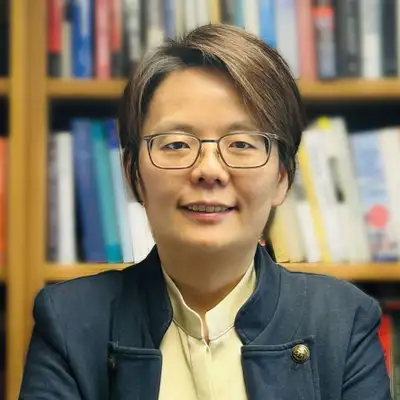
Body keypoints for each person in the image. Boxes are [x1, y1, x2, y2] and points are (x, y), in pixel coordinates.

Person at [19, 24, 391, 400]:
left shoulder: (343, 323)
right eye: (177, 144)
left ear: (282, 178)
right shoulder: (69, 321)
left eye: (242, 143)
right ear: (133, 174)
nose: (209, 170)